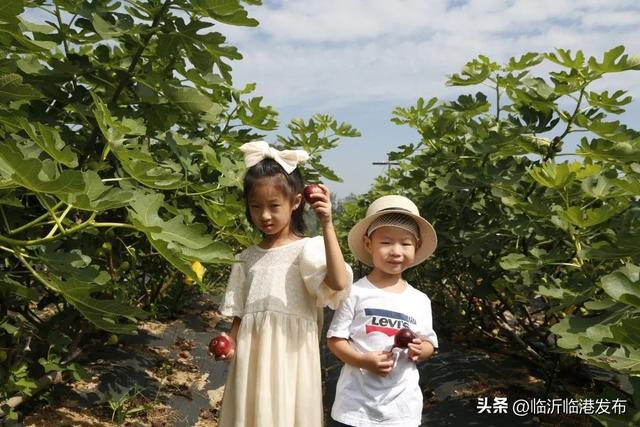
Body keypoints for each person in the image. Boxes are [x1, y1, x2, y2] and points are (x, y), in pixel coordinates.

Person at [214, 140, 353, 427]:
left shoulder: (308, 250)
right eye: (256, 206)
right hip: (252, 360)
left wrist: (327, 225)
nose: (264, 215)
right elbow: (240, 315)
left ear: (296, 202)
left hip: (292, 358)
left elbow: (338, 282)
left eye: (273, 206)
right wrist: (229, 342)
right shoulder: (246, 259)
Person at [327, 195, 439, 427]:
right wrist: (361, 360)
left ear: (416, 248)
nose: (396, 251)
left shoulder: (420, 300)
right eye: (386, 242)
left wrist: (421, 350)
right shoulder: (355, 292)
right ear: (368, 244)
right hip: (355, 406)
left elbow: (430, 344)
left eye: (405, 244)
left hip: (401, 409)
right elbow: (335, 340)